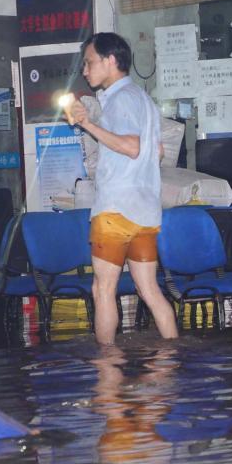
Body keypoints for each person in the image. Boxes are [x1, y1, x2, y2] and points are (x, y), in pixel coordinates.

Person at [66, 33, 178, 342]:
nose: (85, 71)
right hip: (145, 211)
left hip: (116, 210)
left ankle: (106, 365)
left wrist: (87, 124)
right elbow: (157, 151)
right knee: (149, 289)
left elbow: (131, 146)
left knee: (103, 290)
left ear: (110, 60)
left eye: (89, 63)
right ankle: (172, 358)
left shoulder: (120, 98)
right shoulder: (144, 100)